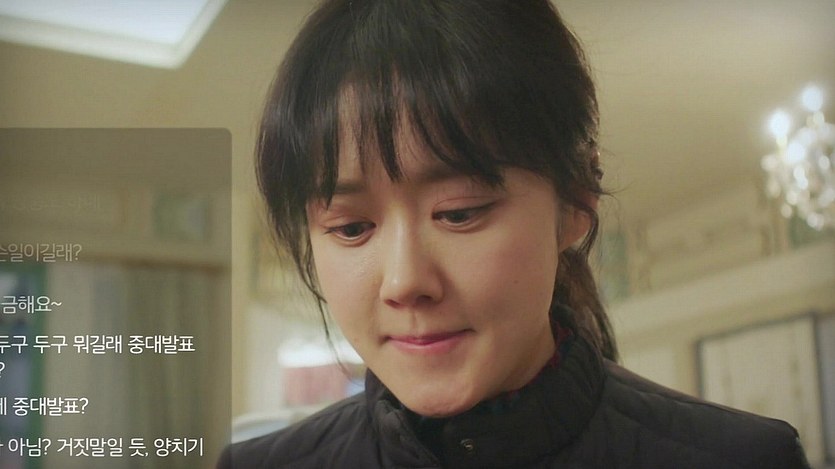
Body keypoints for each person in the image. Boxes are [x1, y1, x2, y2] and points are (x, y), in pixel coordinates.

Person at [219, 0, 810, 467]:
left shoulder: (739, 458)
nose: (404, 282)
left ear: (575, 202)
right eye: (351, 227)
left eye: (459, 213)